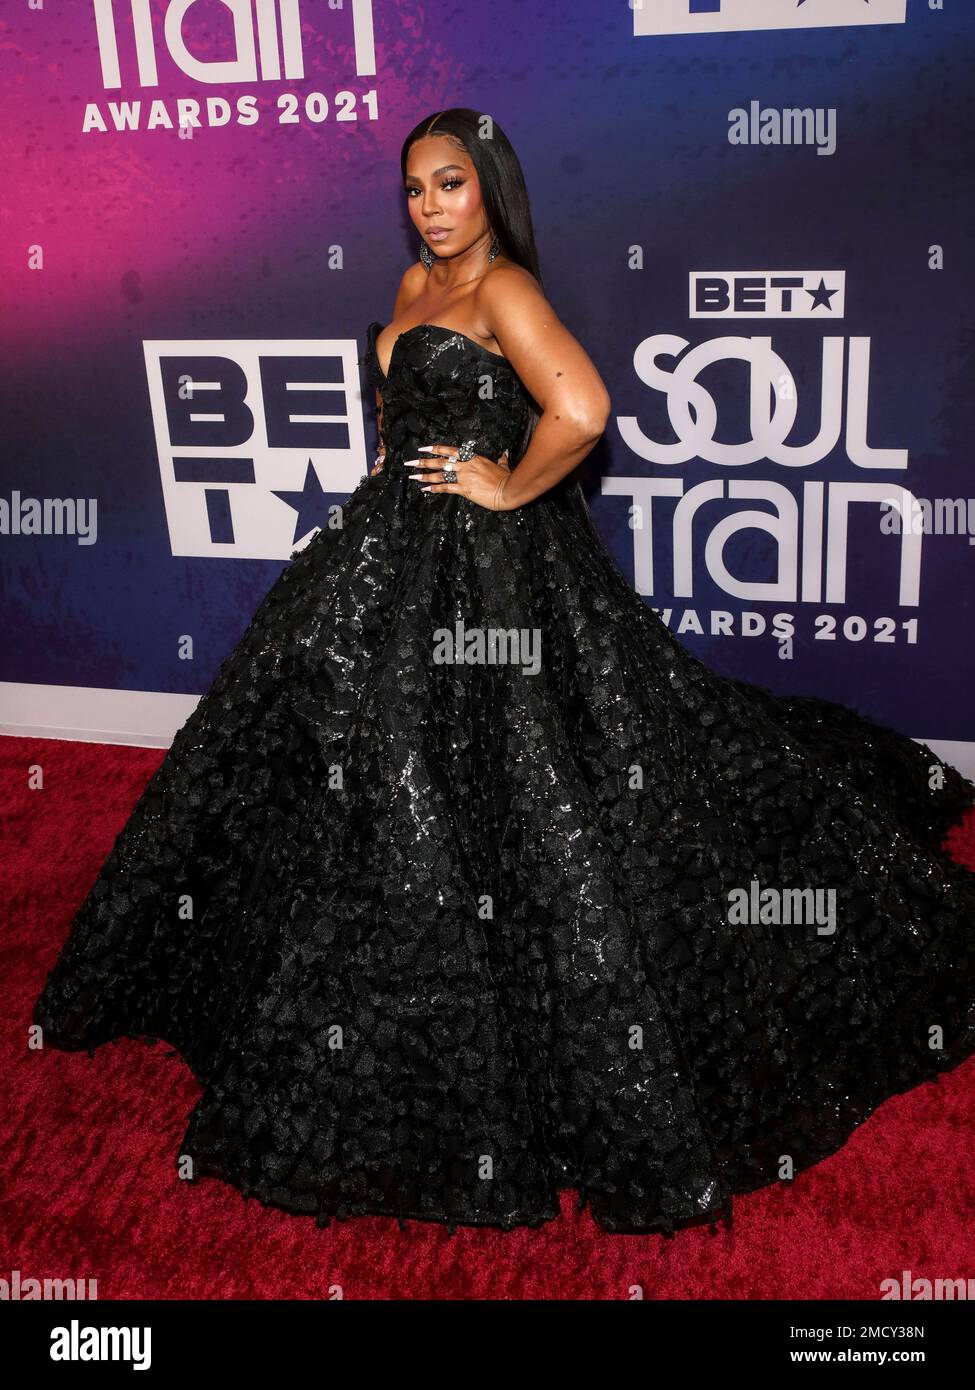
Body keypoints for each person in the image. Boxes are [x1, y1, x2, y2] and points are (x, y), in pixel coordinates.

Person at [33, 108, 975, 1237]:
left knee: (523, 765)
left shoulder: (505, 292)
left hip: (489, 570)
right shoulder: (411, 279)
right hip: (392, 546)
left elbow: (582, 410)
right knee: (347, 747)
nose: (430, 207)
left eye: (451, 186)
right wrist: (389, 466)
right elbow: (408, 407)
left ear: (491, 190)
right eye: (416, 188)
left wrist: (507, 487)